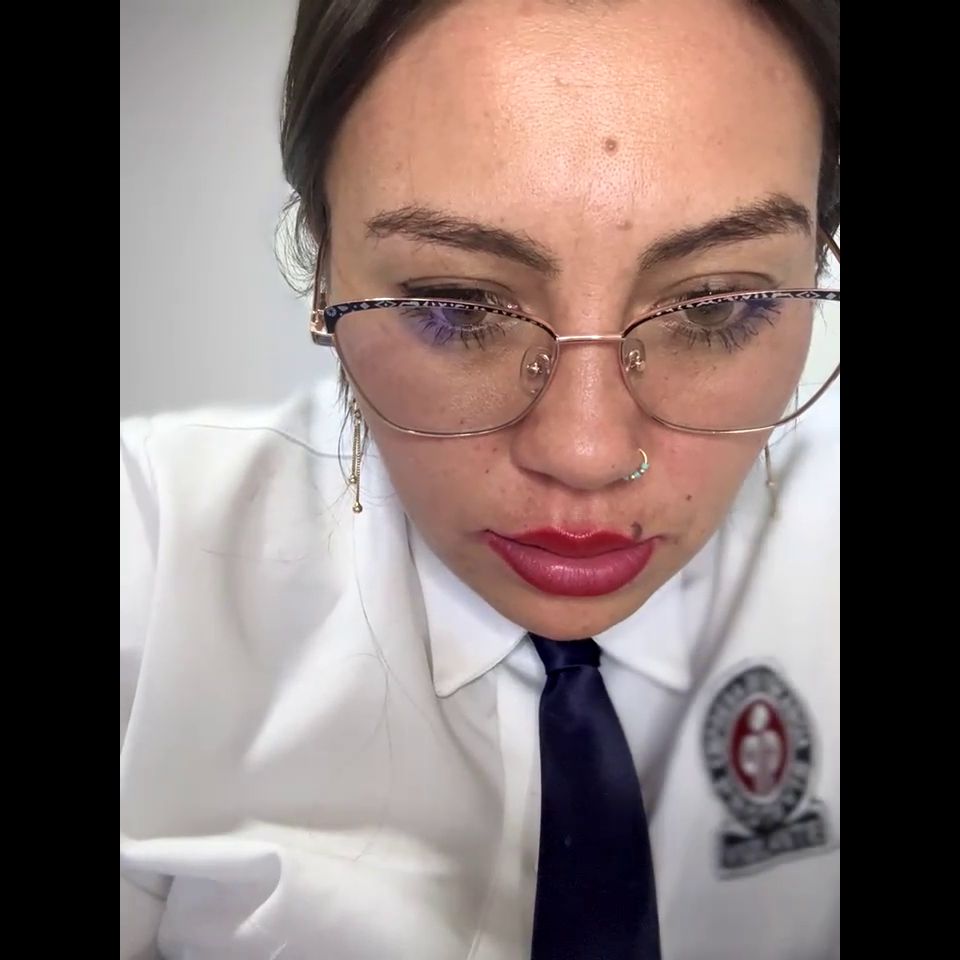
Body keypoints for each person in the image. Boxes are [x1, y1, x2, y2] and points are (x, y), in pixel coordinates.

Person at [120, 0, 840, 957]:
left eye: (715, 307)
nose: (586, 451)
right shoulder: (150, 567)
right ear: (324, 269)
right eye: (459, 306)